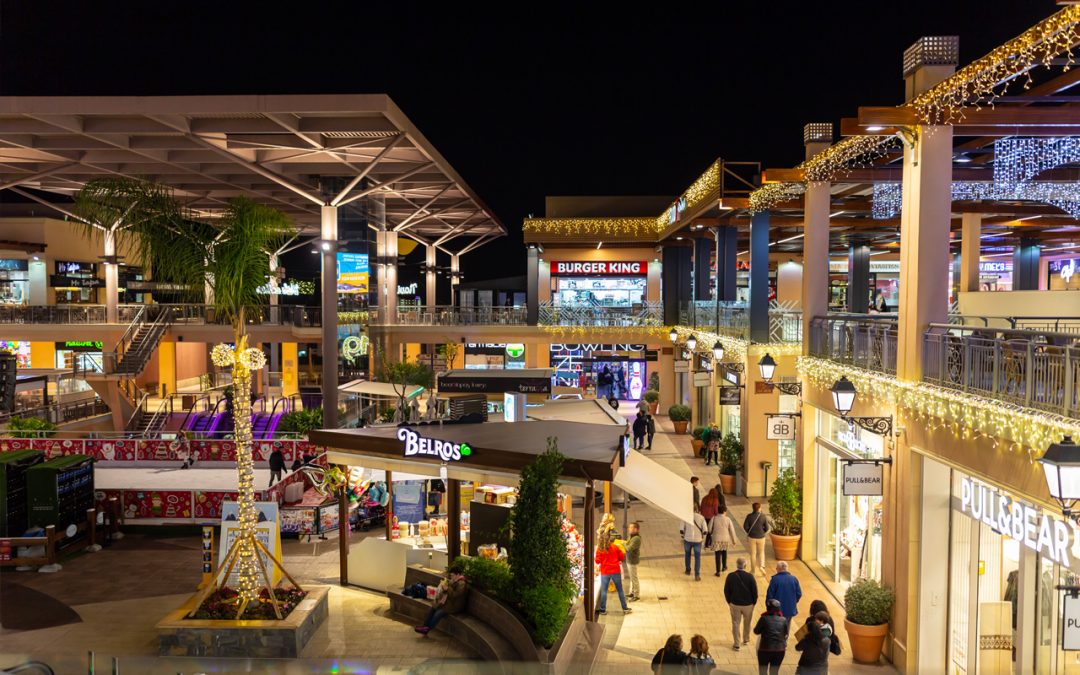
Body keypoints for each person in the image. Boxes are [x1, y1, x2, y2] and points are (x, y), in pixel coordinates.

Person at [414, 564, 469, 635]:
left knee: (438, 613)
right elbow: (448, 593)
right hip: (449, 602)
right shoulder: (455, 581)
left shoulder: (462, 583)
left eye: (452, 575)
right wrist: (445, 586)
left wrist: (448, 588)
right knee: (433, 608)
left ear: (458, 574)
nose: (451, 577)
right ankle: (424, 626)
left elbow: (455, 595)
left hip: (455, 606)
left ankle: (427, 629)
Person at [725, 557, 759, 650]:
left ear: (737, 565)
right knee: (747, 622)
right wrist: (753, 602)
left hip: (735, 604)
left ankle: (736, 644)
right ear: (745, 565)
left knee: (735, 623)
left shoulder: (731, 576)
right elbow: (755, 591)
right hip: (748, 604)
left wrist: (729, 601)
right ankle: (746, 639)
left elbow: (726, 591)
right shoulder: (750, 577)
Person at [595, 530, 632, 615]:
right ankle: (625, 608)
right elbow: (622, 557)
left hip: (605, 572)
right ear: (609, 539)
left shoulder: (600, 550)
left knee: (604, 591)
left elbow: (597, 561)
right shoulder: (615, 547)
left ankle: (602, 609)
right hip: (615, 570)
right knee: (620, 590)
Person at [754, 598, 789, 675]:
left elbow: (756, 631)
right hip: (780, 650)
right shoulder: (783, 619)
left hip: (765, 649)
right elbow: (786, 633)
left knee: (763, 672)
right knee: (774, 672)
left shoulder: (764, 618)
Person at [708, 505, 739, 575]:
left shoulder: (714, 518)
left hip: (716, 539)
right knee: (724, 552)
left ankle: (718, 571)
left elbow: (709, 529)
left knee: (717, 554)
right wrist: (734, 541)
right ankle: (724, 566)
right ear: (724, 511)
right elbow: (732, 530)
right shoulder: (728, 519)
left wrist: (712, 532)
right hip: (725, 539)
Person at [681, 504, 708, 581]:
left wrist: (683, 536)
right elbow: (705, 530)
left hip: (687, 539)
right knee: (697, 558)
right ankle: (697, 575)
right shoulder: (701, 518)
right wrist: (702, 536)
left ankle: (688, 570)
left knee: (687, 555)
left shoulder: (685, 517)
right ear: (697, 509)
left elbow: (681, 529)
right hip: (698, 540)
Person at [743, 502, 771, 575]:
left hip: (752, 537)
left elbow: (745, 526)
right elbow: (767, 528)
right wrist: (762, 532)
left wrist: (749, 531)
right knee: (761, 552)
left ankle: (753, 570)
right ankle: (761, 566)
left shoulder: (749, 516)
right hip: (761, 537)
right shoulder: (763, 516)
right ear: (759, 508)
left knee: (753, 554)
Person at [624, 521, 642, 602]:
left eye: (631, 527)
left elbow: (628, 548)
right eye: (629, 527)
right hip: (629, 559)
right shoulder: (632, 536)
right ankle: (632, 592)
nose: (629, 529)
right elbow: (628, 544)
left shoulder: (636, 538)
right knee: (631, 577)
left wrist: (622, 544)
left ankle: (636, 595)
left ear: (636, 529)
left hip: (632, 561)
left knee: (634, 578)